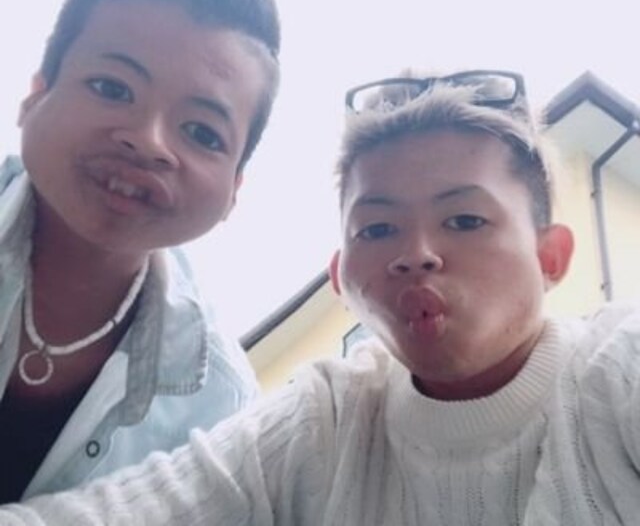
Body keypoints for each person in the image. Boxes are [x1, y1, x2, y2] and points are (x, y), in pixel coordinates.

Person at [1, 70, 636, 524]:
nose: (416, 253)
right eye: (376, 229)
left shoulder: (615, 375)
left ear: (551, 257)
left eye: (465, 220)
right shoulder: (326, 423)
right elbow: (137, 508)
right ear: (341, 280)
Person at [0, 0, 280, 502]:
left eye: (202, 132)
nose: (149, 141)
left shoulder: (217, 408)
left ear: (234, 190)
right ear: (36, 95)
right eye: (112, 87)